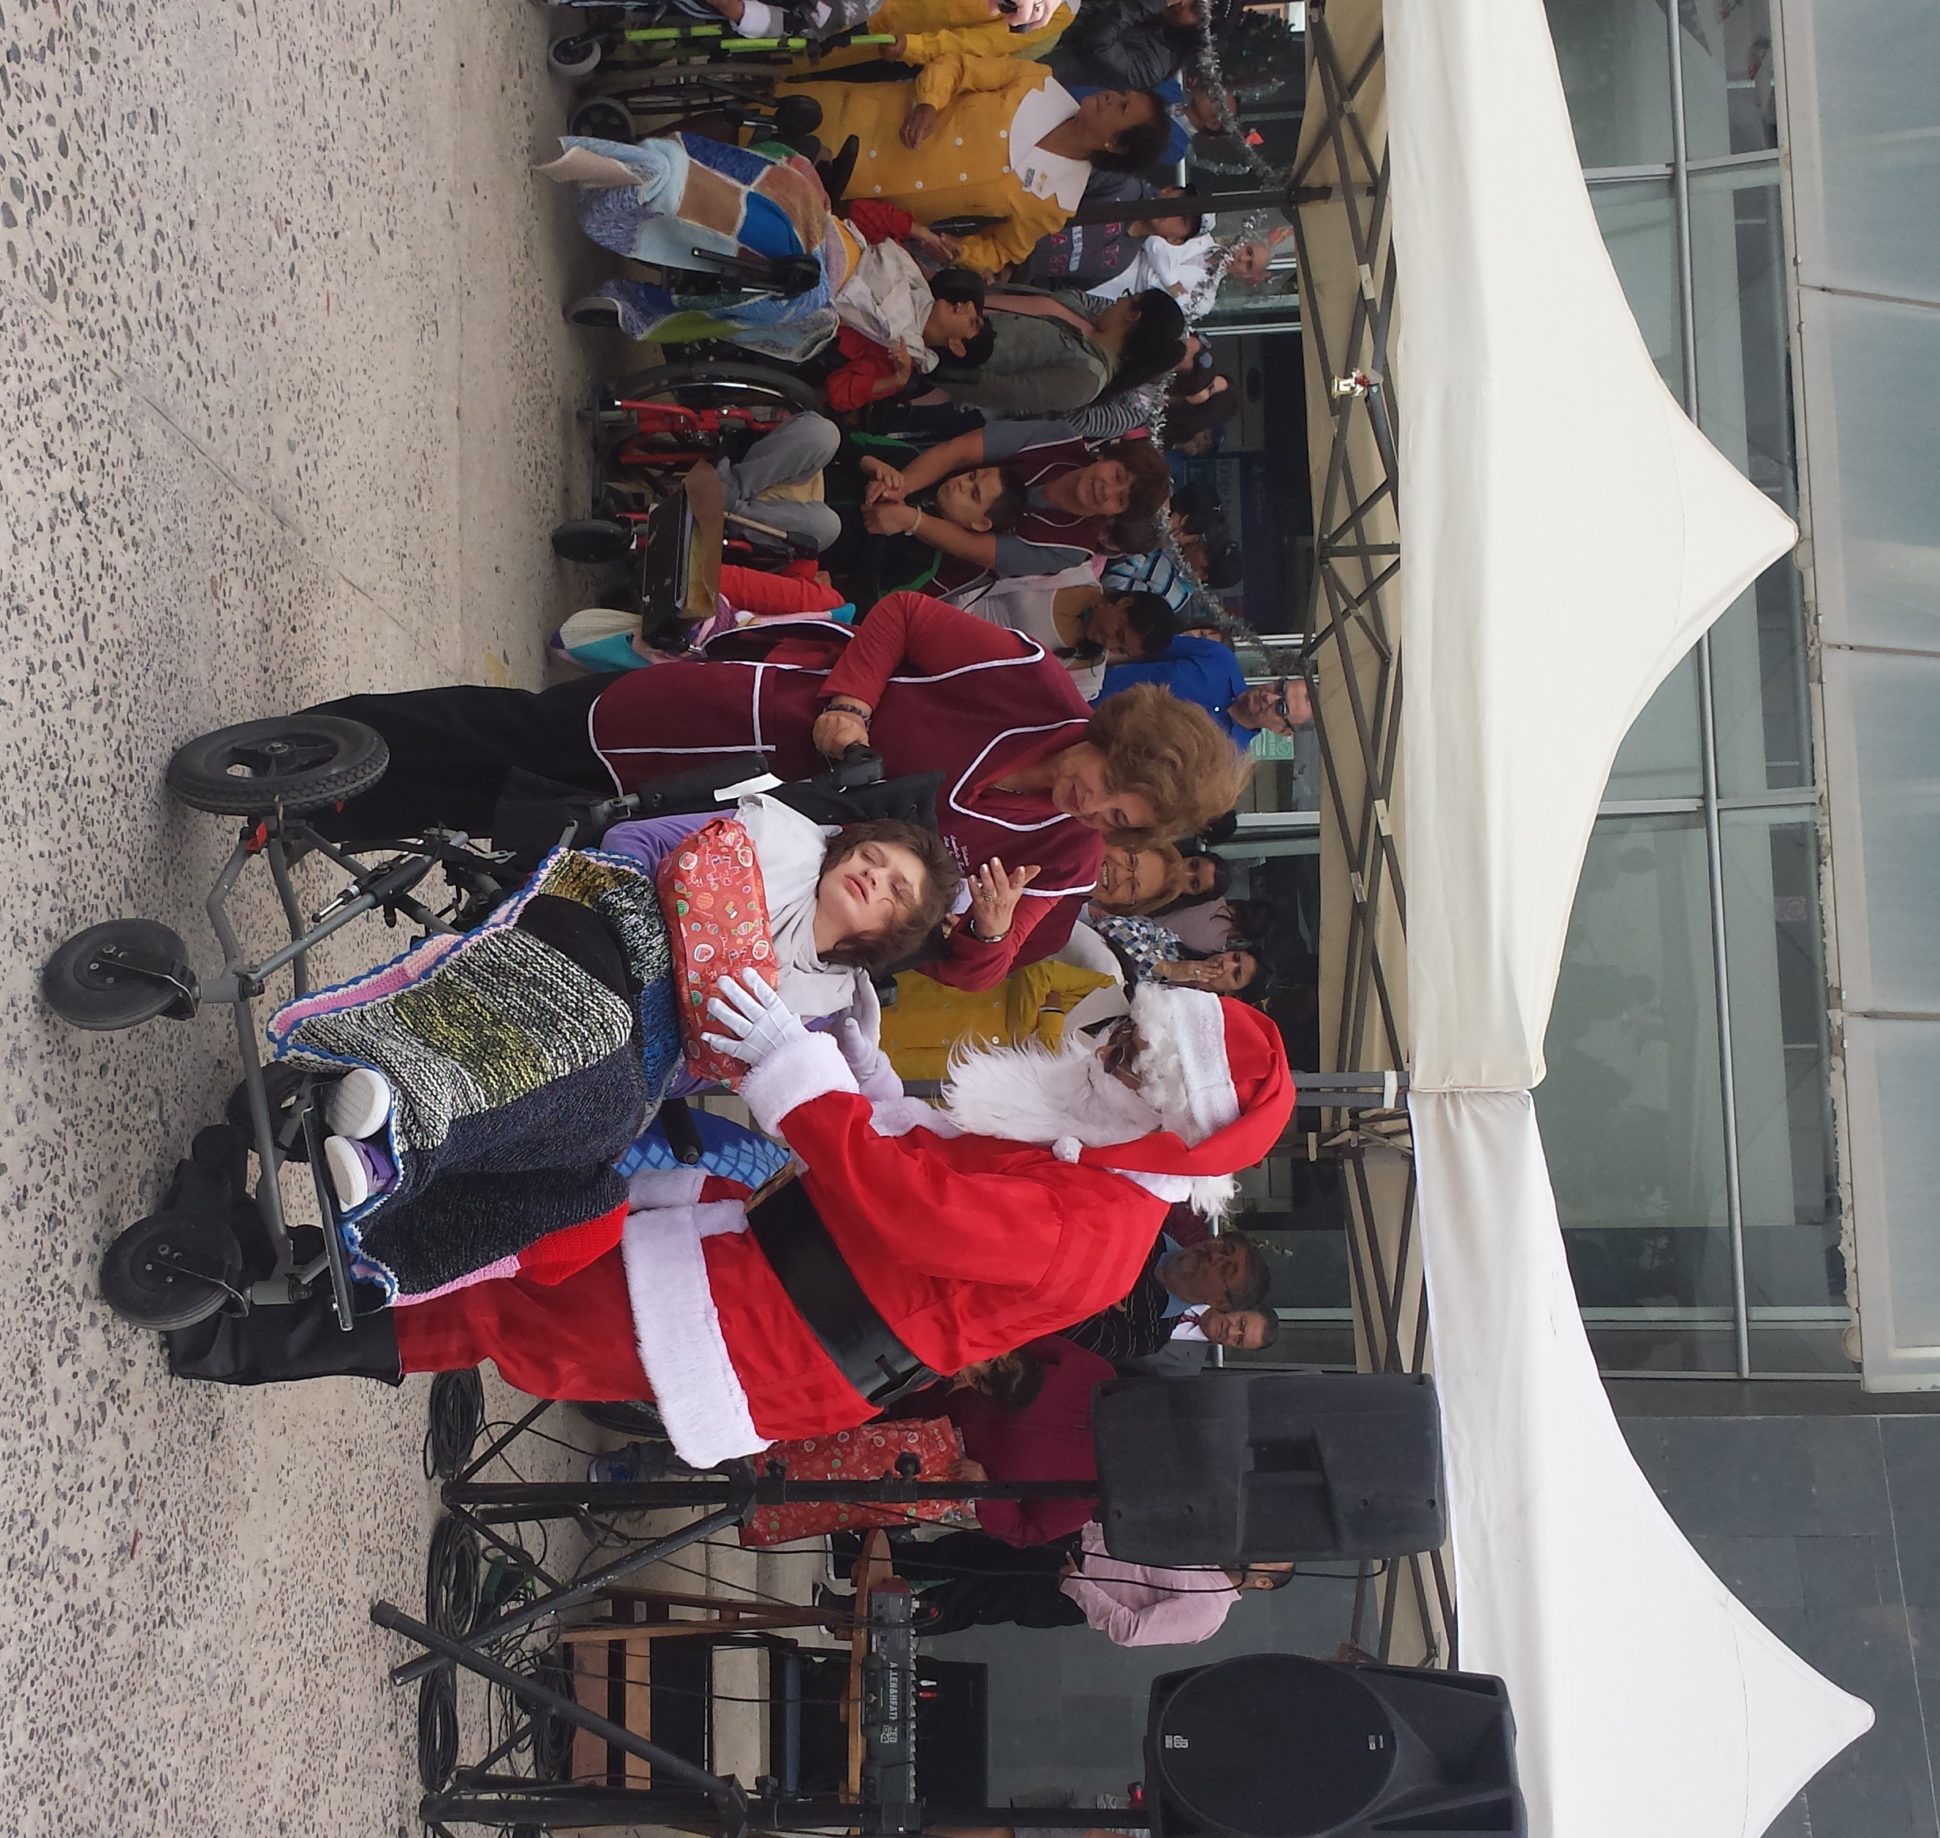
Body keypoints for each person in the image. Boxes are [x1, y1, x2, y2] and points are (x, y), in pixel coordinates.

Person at [173, 984, 1296, 1477]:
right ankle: (268, 1269)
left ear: (1172, 1120)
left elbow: (916, 1207)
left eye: (1129, 1060)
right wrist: (854, 1061)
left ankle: (236, 1334)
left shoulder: (1098, 1234)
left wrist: (798, 1081)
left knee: (507, 1298)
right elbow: (927, 1151)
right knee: (515, 1252)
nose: (1099, 1055)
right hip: (764, 1268)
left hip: (776, 1329)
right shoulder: (1091, 1157)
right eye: (1120, 1040)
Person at [302, 597, 1250, 989]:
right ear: (1116, 737)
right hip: (724, 724)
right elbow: (903, 617)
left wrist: (989, 935)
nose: (1095, 812)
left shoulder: (1059, 861)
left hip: (711, 851)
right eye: (1110, 787)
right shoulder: (1030, 683)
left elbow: (957, 972)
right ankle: (321, 744)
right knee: (508, 730)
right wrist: (850, 701)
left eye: (1120, 819)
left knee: (508, 815)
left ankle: (322, 812)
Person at [280, 804, 959, 1301]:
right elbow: (630, 841)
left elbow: (702, 1074)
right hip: (602, 930)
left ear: (892, 934)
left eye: (897, 891)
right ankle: (392, 1147)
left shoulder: (824, 1011)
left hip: (639, 1051)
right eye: (874, 857)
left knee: (594, 1187)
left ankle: (380, 1236)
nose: (875, 877)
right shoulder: (765, 840)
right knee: (594, 1051)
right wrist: (713, 932)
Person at [778, 60, 1170, 274]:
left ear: (1116, 145)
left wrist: (961, 252)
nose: (1108, 96)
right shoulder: (1037, 81)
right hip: (846, 116)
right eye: (1121, 94)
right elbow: (959, 67)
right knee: (736, 117)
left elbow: (1003, 250)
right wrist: (931, 101)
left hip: (843, 190)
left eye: (1121, 107)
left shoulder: (1057, 201)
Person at [861, 420, 1172, 591]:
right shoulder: (1058, 439)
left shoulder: (1071, 549)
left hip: (931, 560)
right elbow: (958, 452)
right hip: (935, 480)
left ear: (1115, 515)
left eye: (1120, 499)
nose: (1107, 489)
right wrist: (900, 487)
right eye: (1117, 474)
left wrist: (910, 520)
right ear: (1108, 456)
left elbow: (972, 547)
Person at [890, 1517, 1293, 1639]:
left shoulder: (1210, 1611)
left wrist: (1078, 1584)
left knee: (973, 1597)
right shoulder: (1204, 1547)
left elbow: (1131, 1631)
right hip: (1072, 1540)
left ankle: (878, 1623)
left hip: (1067, 1590)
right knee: (964, 1551)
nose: (1260, 1556)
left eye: (1270, 1565)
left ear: (1263, 1584)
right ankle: (860, 1559)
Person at [942, 1334, 1115, 1545]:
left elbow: (1027, 1531)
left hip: (935, 1460)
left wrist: (984, 1489)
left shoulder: (1095, 1489)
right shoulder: (1100, 1380)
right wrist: (979, 1363)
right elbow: (1022, 1336)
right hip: (943, 1372)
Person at [931, 288, 1187, 420]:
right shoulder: (1085, 315)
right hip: (937, 310)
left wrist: (934, 368)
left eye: (1129, 297)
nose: (1117, 300)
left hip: (936, 356)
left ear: (1133, 315)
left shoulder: (1087, 378)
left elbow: (1004, 391)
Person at [1059, 1224, 1271, 1365]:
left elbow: (1068, 1336)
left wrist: (1093, 1295)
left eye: (1225, 1270)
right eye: (1224, 1247)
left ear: (1220, 1301)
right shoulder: (1154, 1223)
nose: (1214, 1255)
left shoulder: (1150, 1333)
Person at [948, 573, 1178, 698]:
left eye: (1121, 650)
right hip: (945, 609)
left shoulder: (1088, 681)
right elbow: (986, 578)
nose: (1110, 644)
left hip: (958, 681)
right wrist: (948, 625)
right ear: (1124, 602)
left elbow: (1020, 702)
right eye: (1118, 633)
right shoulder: (1072, 573)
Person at [1103, 646, 1314, 751]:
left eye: (1281, 707)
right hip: (1084, 686)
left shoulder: (1224, 759)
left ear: (1282, 731)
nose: (1269, 696)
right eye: (1280, 686)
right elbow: (1139, 648)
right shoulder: (1219, 659)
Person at [1017, 183, 1208, 295]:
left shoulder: (1120, 262)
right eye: (1180, 202)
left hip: (1008, 269)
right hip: (1009, 221)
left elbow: (1059, 288)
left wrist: (1013, 281)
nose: (1173, 212)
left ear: (1175, 240)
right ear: (1169, 190)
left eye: (1182, 219)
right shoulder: (1124, 187)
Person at [1118, 1303, 1278, 1377]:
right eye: (1240, 1323)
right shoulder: (1192, 1285)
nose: (1232, 1331)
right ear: (1237, 1306)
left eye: (1238, 1340)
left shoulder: (1183, 1370)